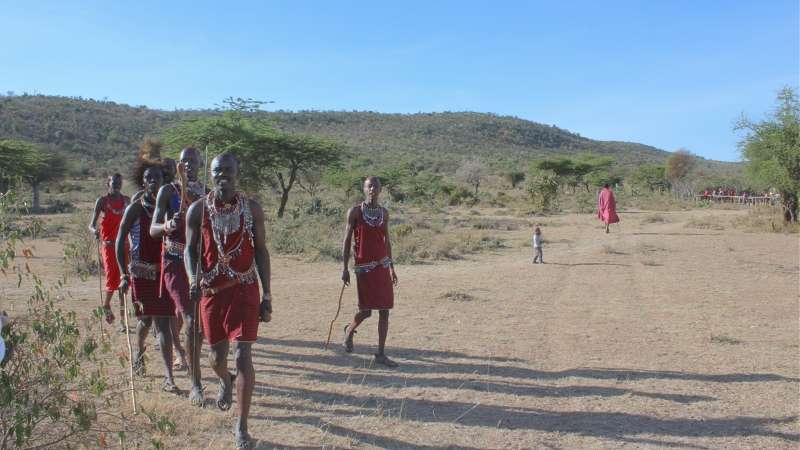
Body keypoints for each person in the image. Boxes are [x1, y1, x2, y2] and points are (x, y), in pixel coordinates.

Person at [185, 152, 272, 450]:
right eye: (217, 171)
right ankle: (225, 380)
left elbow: (261, 250)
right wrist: (193, 279)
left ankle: (241, 426)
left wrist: (268, 294)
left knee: (242, 354)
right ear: (210, 175)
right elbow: (189, 250)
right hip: (212, 294)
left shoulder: (252, 210)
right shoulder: (198, 210)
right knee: (217, 358)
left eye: (228, 171)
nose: (222, 175)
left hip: (245, 289)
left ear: (237, 173)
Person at [115, 159, 180, 392]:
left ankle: (169, 378)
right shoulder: (135, 208)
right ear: (143, 182)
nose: (153, 181)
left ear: (164, 181)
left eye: (157, 178)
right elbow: (120, 239)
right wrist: (123, 274)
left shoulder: (171, 207)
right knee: (145, 321)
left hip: (164, 271)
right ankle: (140, 349)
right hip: (141, 273)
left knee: (163, 324)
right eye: (148, 178)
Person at [150, 148, 204, 403]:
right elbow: (153, 229)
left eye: (193, 162)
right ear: (179, 166)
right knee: (191, 319)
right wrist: (168, 225)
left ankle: (185, 356)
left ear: (200, 165)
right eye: (185, 162)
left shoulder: (206, 194)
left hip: (200, 264)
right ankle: (196, 383)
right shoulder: (168, 191)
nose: (189, 166)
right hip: (174, 261)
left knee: (193, 321)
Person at [341, 176, 399, 367]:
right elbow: (347, 240)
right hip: (364, 268)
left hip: (382, 266)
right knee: (366, 311)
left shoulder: (384, 213)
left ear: (380, 189)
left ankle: (380, 354)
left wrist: (392, 267)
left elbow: (387, 241)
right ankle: (349, 330)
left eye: (375, 186)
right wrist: (344, 268)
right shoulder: (355, 212)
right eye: (369, 186)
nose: (372, 188)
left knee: (385, 310)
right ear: (364, 189)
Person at [89, 173, 130, 333]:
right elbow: (91, 225)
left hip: (124, 246)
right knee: (112, 279)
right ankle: (106, 304)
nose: (117, 185)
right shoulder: (102, 201)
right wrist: (94, 231)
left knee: (123, 282)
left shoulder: (126, 201)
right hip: (109, 246)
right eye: (114, 183)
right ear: (108, 183)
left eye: (119, 183)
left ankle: (122, 321)